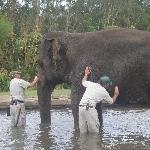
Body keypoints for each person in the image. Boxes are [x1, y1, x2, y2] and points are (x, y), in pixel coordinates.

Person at [79, 66, 119, 133]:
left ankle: (82, 143)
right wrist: (116, 95)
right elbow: (111, 102)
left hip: (81, 108)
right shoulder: (104, 91)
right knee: (94, 133)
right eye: (108, 85)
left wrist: (86, 74)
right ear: (106, 85)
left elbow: (83, 81)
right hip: (90, 108)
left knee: (83, 132)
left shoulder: (91, 84)